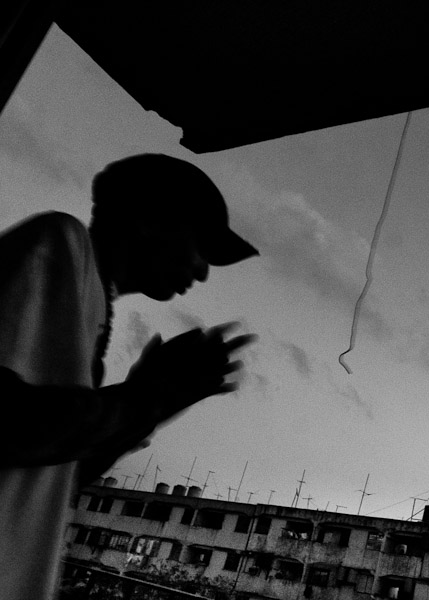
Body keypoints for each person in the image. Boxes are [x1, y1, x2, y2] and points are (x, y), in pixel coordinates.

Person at [0, 153, 259, 600]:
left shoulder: (93, 298)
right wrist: (149, 397)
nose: (201, 270)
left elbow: (59, 472)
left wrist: (152, 407)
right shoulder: (59, 244)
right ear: (149, 220)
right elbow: (8, 422)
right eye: (201, 245)